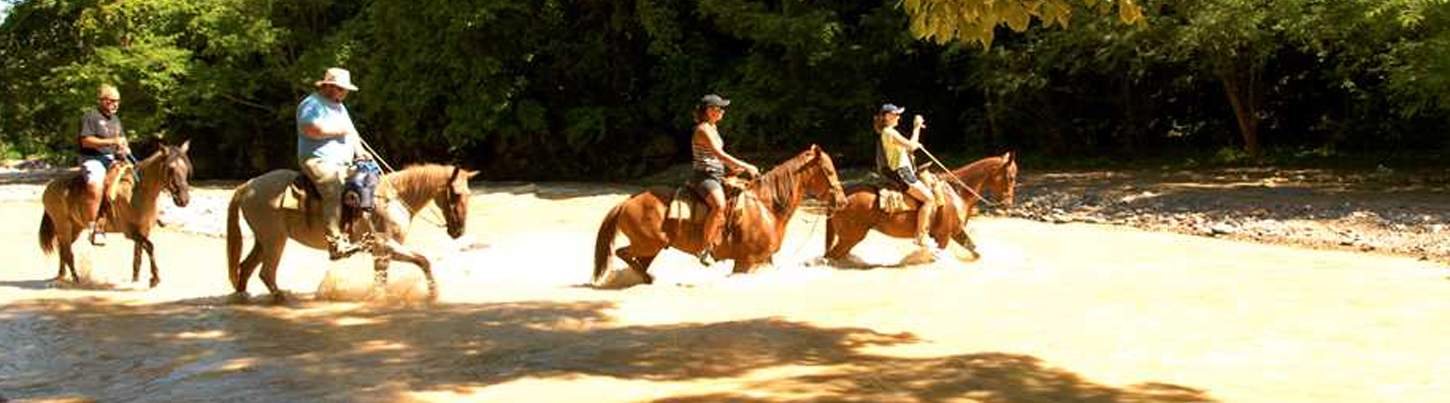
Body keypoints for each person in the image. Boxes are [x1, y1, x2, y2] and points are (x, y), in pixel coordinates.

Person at [297, 67, 372, 260]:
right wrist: (338, 131)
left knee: (369, 180)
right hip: (317, 159)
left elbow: (352, 133)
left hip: (342, 162)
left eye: (345, 90)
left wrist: (361, 154)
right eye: (341, 89)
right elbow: (310, 129)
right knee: (333, 188)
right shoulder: (311, 104)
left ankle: (364, 232)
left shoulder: (339, 106)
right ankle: (335, 243)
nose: (344, 93)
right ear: (329, 87)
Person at [691, 94, 760, 265]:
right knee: (719, 206)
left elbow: (716, 157)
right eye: (718, 108)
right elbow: (719, 154)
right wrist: (746, 166)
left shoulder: (712, 127)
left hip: (717, 174)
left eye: (722, 108)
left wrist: (732, 168)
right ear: (708, 111)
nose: (722, 111)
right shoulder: (702, 129)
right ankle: (705, 248)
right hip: (705, 177)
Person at [875, 103, 935, 248]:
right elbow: (911, 145)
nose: (899, 117)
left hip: (905, 171)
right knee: (929, 199)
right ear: (888, 116)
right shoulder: (890, 132)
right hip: (903, 174)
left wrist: (914, 140)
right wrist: (917, 126)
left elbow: (909, 146)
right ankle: (921, 236)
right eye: (896, 114)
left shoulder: (888, 132)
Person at [77, 84, 131, 246]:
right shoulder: (90, 117)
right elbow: (86, 141)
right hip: (92, 157)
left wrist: (125, 147)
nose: (115, 104)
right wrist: (112, 141)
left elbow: (122, 138)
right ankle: (94, 227)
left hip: (112, 158)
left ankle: (147, 214)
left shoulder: (115, 119)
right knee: (96, 185)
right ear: (102, 101)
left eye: (118, 101)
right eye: (112, 101)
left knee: (136, 177)